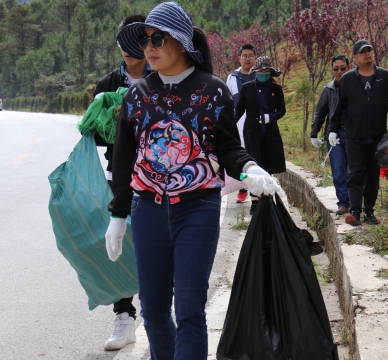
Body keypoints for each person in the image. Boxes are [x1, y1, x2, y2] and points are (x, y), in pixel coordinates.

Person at [106, 2, 283, 359]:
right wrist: (118, 215)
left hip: (198, 210)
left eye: (158, 39)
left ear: (182, 43)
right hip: (148, 212)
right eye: (145, 41)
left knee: (188, 310)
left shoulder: (214, 91)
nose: (149, 48)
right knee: (154, 313)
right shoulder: (136, 95)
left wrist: (250, 170)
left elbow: (229, 147)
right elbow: (124, 160)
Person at [92, 14, 152, 351]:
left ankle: (159, 314)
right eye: (122, 42)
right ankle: (124, 317)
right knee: (119, 247)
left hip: (161, 178)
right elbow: (96, 135)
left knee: (157, 246)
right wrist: (108, 118)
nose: (128, 51)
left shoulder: (165, 79)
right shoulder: (107, 83)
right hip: (120, 178)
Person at [328, 39, 388, 226]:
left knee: (372, 176)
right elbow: (339, 107)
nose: (368, 54)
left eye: (370, 50)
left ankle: (369, 210)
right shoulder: (348, 79)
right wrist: (332, 129)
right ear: (355, 57)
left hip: (378, 138)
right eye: (363, 52)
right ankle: (355, 211)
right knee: (354, 173)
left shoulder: (384, 77)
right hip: (354, 137)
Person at [235, 55, 287, 215]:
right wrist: (229, 125)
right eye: (261, 71)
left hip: (270, 132)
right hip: (252, 132)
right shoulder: (247, 88)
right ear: (255, 72)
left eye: (266, 71)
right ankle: (254, 200)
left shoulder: (275, 89)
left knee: (268, 164)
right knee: (254, 164)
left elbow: (282, 110)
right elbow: (240, 109)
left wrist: (271, 117)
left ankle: (266, 198)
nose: (263, 74)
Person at [310, 55, 351, 215]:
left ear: (349, 67)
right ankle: (343, 202)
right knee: (338, 167)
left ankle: (355, 202)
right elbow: (320, 112)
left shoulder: (356, 86)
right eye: (336, 69)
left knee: (353, 168)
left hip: (354, 133)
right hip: (335, 134)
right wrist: (314, 133)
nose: (339, 71)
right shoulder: (329, 89)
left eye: (343, 68)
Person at [226, 44, 257, 204]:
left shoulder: (259, 76)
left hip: (256, 122)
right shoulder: (232, 78)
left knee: (256, 155)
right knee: (242, 155)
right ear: (239, 58)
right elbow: (228, 100)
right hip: (238, 122)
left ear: (255, 58)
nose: (247, 59)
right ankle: (243, 187)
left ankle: (255, 192)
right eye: (244, 56)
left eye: (250, 56)